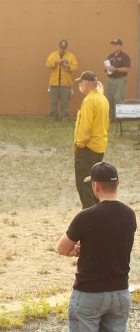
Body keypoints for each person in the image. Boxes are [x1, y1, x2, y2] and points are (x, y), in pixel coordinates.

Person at [55, 162, 135, 332]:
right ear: (118, 184)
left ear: (96, 186)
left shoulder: (86, 216)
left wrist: (79, 249)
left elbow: (62, 248)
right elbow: (112, 245)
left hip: (89, 293)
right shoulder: (129, 215)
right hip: (119, 291)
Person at [73, 71, 109, 210]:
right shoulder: (102, 99)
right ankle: (98, 212)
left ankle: (89, 214)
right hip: (99, 146)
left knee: (84, 183)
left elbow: (85, 126)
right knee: (95, 183)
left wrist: (80, 145)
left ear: (87, 84)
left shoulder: (89, 100)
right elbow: (106, 123)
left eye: (81, 83)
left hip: (87, 148)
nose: (80, 85)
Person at [45, 40, 78, 121]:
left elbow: (75, 66)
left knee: (65, 102)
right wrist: (55, 62)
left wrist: (68, 66)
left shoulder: (71, 56)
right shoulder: (53, 55)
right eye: (61, 47)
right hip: (54, 83)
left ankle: (64, 117)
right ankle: (53, 116)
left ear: (66, 47)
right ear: (59, 46)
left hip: (66, 83)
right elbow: (48, 64)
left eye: (64, 47)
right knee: (53, 101)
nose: (63, 49)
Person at [104, 38, 131, 122]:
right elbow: (105, 67)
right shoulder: (110, 56)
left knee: (118, 98)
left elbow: (127, 69)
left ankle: (118, 118)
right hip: (110, 79)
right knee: (109, 99)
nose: (114, 47)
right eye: (113, 45)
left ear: (120, 46)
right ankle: (110, 118)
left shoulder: (125, 57)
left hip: (120, 80)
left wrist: (116, 69)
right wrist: (106, 68)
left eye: (116, 45)